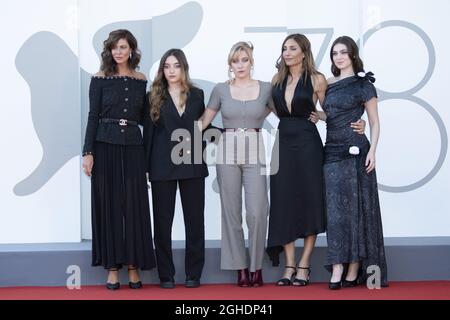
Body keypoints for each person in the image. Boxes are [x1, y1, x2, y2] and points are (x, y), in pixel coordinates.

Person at [266, 34, 366, 287]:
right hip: (283, 145)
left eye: (292, 48)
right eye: (284, 48)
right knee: (283, 203)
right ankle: (289, 266)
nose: (287, 53)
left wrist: (359, 121)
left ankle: (304, 265)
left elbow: (332, 112)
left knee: (310, 200)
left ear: (304, 52)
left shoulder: (317, 79)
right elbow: (264, 110)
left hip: (309, 145)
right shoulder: (276, 81)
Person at [82, 29, 156, 290]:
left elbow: (147, 120)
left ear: (132, 50)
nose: (118, 51)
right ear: (109, 51)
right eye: (114, 47)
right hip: (104, 146)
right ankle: (113, 268)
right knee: (110, 204)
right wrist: (87, 152)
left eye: (123, 47)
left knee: (135, 205)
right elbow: (93, 116)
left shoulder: (140, 79)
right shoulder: (99, 78)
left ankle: (134, 266)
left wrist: (149, 159)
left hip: (134, 146)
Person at [198, 42, 273, 287]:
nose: (239, 65)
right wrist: (173, 136)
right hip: (227, 151)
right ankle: (240, 268)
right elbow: (203, 122)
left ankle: (256, 266)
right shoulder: (220, 90)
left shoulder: (266, 89)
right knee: (231, 212)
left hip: (255, 150)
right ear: (229, 65)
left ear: (252, 62)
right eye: (234, 61)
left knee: (257, 211)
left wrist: (318, 116)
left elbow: (288, 115)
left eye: (244, 60)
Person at [317, 36, 388, 289]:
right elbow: (332, 115)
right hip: (332, 151)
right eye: (335, 53)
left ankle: (354, 268)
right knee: (335, 213)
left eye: (343, 52)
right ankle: (337, 266)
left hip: (358, 151)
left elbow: (375, 120)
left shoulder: (363, 84)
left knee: (356, 210)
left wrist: (374, 150)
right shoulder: (327, 83)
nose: (339, 57)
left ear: (352, 55)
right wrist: (319, 116)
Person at [144, 49, 208, 289]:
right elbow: (148, 135)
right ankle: (166, 275)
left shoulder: (198, 95)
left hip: (192, 165)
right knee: (162, 223)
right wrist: (145, 168)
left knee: (195, 221)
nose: (171, 71)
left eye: (176, 66)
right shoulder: (153, 97)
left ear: (184, 68)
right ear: (162, 70)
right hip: (162, 166)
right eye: (167, 66)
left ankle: (194, 273)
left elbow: (201, 131)